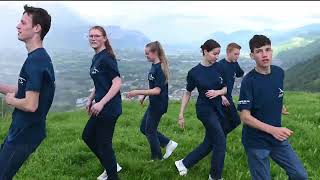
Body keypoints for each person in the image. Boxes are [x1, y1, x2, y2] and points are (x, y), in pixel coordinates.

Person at [238, 34, 308, 180]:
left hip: (277, 140)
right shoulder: (248, 81)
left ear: (272, 51)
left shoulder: (279, 73)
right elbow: (245, 117)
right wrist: (274, 130)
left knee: (300, 175)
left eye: (267, 49)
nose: (264, 54)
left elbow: (275, 93)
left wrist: (279, 106)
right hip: (256, 142)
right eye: (259, 51)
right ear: (252, 55)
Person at [0, 5, 55, 179]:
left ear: (37, 28)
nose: (18, 26)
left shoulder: (36, 61)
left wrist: (10, 101)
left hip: (26, 132)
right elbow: (23, 91)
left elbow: (31, 104)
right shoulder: (36, 58)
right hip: (21, 129)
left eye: (23, 23)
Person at [175, 39, 227, 180]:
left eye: (218, 54)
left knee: (210, 142)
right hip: (204, 110)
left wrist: (219, 93)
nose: (217, 57)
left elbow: (225, 87)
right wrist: (181, 114)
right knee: (220, 141)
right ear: (205, 51)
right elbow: (187, 92)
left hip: (218, 109)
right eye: (214, 53)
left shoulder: (219, 67)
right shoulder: (194, 72)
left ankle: (183, 163)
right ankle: (215, 177)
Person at [126, 41, 178, 161]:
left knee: (150, 130)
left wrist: (137, 92)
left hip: (159, 104)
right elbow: (153, 86)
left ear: (155, 52)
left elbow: (157, 90)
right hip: (154, 103)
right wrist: (144, 96)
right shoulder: (154, 65)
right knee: (144, 128)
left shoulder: (160, 68)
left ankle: (157, 158)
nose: (146, 56)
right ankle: (168, 143)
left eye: (147, 54)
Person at [82, 26, 122, 180]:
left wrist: (101, 103)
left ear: (104, 38)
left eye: (97, 36)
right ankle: (111, 165)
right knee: (88, 136)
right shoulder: (96, 57)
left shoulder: (107, 58)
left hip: (109, 108)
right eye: (90, 35)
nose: (93, 38)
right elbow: (100, 83)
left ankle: (112, 174)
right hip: (100, 105)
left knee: (104, 144)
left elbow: (117, 83)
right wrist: (91, 98)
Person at [218, 42, 244, 134]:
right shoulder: (220, 65)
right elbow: (213, 84)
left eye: (238, 54)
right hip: (221, 99)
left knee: (234, 122)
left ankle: (219, 138)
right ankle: (218, 139)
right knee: (234, 121)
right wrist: (221, 96)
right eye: (235, 54)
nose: (237, 56)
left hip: (229, 97)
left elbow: (240, 73)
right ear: (228, 53)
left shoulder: (234, 64)